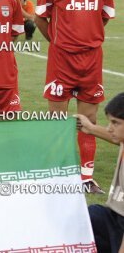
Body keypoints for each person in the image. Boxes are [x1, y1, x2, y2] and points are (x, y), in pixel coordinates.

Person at [35, 0, 115, 193]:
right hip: (61, 60)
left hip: (91, 59)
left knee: (88, 119)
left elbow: (103, 16)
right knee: (56, 118)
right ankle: (57, 174)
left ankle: (86, 177)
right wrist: (59, 42)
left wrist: (88, 39)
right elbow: (40, 17)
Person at [75, 93, 124, 252]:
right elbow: (114, 137)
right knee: (90, 216)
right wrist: (90, 128)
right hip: (114, 217)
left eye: (115, 123)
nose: (109, 128)